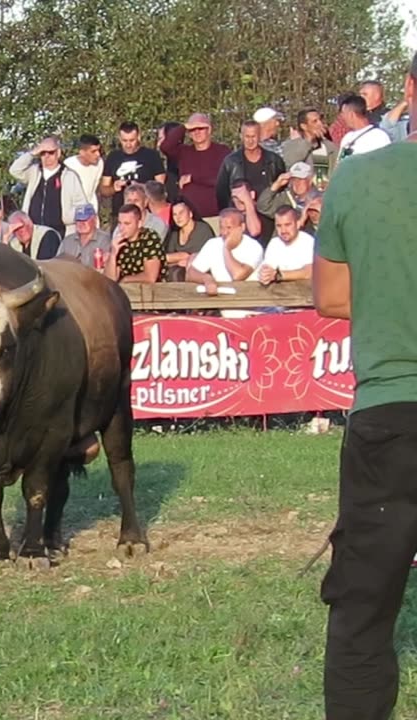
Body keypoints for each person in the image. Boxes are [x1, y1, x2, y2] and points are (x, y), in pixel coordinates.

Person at [313, 51, 417, 720]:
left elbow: (331, 296)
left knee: (363, 608)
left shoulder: (359, 174)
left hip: (393, 408)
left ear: (408, 91)